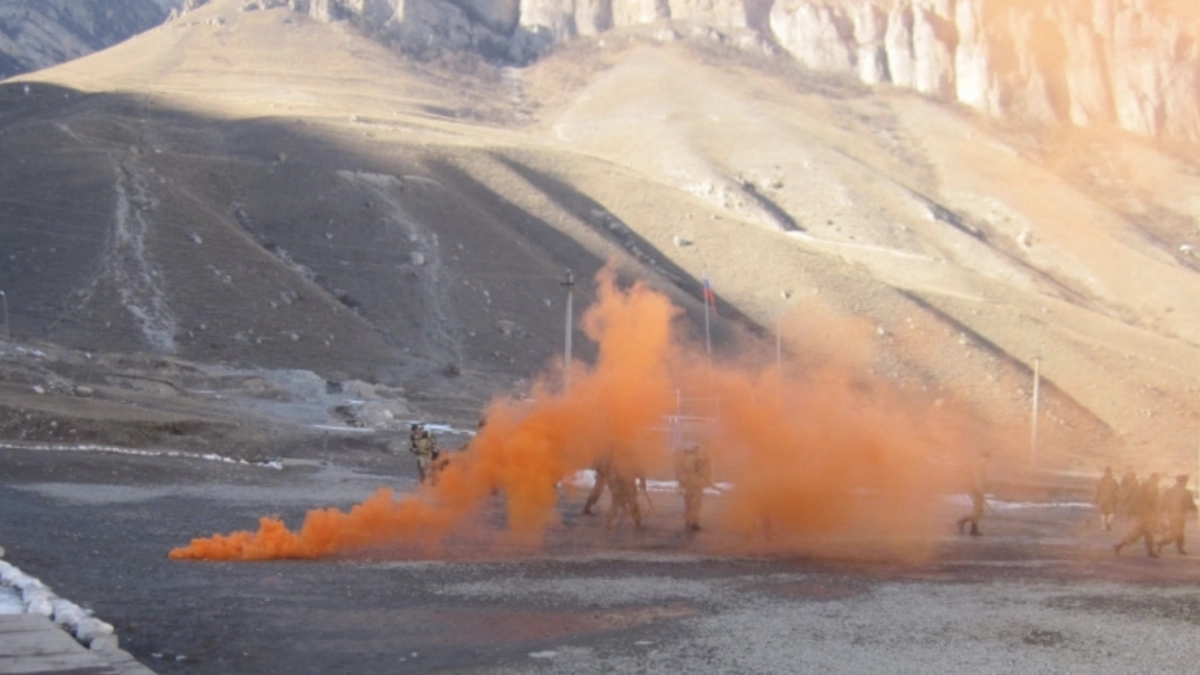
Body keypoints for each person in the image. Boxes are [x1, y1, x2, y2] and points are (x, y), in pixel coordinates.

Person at [1115, 472, 1161, 557]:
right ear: (1155, 478)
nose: (1159, 481)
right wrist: (1156, 512)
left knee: (1146, 533)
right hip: (1146, 513)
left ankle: (1150, 551)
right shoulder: (1151, 487)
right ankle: (1119, 545)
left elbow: (1136, 499)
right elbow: (1153, 501)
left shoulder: (1144, 485)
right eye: (1158, 478)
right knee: (1140, 533)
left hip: (1143, 512)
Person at [674, 443, 713, 532]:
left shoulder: (684, 460)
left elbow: (680, 473)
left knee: (689, 504)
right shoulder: (695, 459)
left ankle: (688, 522)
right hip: (695, 485)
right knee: (695, 505)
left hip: (690, 485)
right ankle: (694, 523)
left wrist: (682, 482)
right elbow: (702, 471)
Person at [1155, 474, 1197, 555]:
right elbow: (1190, 505)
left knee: (1180, 532)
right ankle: (1160, 543)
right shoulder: (1186, 492)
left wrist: (1160, 513)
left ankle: (1180, 548)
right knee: (1176, 533)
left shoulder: (1170, 490)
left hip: (1169, 515)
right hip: (1179, 515)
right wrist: (1196, 509)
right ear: (1184, 482)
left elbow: (1163, 502)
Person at [605, 458, 644, 531]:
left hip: (626, 485)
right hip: (621, 485)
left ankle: (637, 523)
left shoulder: (618, 458)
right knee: (618, 504)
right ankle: (609, 522)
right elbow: (610, 472)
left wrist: (642, 481)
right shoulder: (619, 459)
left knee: (631, 504)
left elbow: (639, 471)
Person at [956, 461, 987, 536]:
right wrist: (980, 492)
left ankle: (969, 526)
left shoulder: (979, 468)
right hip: (977, 492)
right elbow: (977, 483)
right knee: (978, 511)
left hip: (977, 492)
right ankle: (968, 526)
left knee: (978, 511)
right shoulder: (979, 469)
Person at [1094, 466, 1120, 531]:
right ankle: (1108, 522)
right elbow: (1116, 491)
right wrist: (1118, 499)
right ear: (1111, 473)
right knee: (1112, 512)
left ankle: (1103, 526)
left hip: (1102, 499)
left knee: (1103, 513)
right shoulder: (1114, 481)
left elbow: (1097, 490)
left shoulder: (1100, 481)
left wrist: (1096, 498)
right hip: (1111, 500)